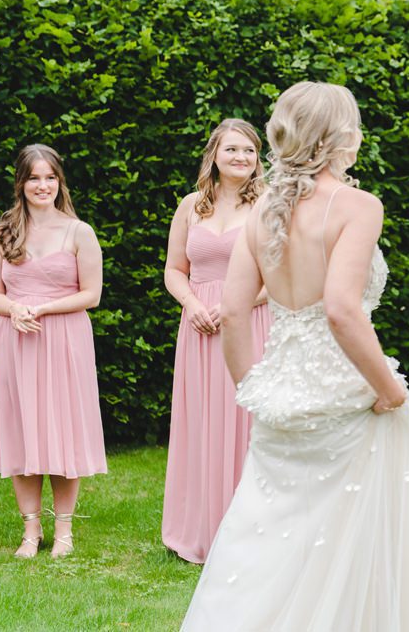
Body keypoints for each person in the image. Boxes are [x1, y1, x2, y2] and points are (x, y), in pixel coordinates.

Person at [181, 82, 409, 630]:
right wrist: (391, 392)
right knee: (354, 544)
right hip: (350, 395)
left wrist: (251, 386)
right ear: (341, 136)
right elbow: (344, 312)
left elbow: (232, 313)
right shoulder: (358, 206)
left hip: (280, 393)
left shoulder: (260, 214)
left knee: (267, 536)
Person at [0, 143, 105, 558]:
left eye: (50, 177)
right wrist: (15, 308)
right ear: (21, 182)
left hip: (66, 339)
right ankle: (31, 530)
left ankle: (65, 532)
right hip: (16, 341)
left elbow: (92, 294)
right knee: (24, 431)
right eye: (34, 177)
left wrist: (45, 307)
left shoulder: (78, 231)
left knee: (63, 431)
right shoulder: (0, 235)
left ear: (60, 181)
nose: (43, 185)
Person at [161, 118, 271, 564]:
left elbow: (282, 275)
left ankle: (249, 532)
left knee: (246, 424)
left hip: (250, 322)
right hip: (199, 326)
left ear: (257, 157)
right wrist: (191, 304)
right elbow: (174, 269)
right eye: (232, 150)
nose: (240, 157)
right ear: (214, 156)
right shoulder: (191, 205)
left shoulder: (268, 205)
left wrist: (236, 308)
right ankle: (199, 529)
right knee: (200, 423)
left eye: (248, 150)